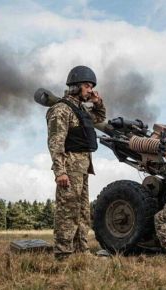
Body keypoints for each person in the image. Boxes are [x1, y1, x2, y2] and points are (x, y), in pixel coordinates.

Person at [46, 65, 106, 260]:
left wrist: (97, 103)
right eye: (87, 86)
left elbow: (99, 118)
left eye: (91, 87)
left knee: (81, 212)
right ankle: (63, 254)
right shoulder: (61, 109)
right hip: (70, 166)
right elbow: (56, 142)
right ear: (76, 86)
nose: (91, 90)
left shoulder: (80, 110)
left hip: (82, 166)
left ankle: (82, 251)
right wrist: (60, 172)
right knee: (67, 211)